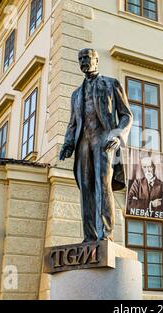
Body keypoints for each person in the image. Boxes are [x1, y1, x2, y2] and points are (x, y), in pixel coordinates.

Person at [59, 48, 133, 242]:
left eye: (87, 58)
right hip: (83, 142)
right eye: (80, 59)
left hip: (104, 141)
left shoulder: (111, 84)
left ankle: (105, 235)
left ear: (96, 60)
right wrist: (68, 143)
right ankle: (89, 236)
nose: (84, 61)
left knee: (103, 186)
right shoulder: (76, 94)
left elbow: (126, 115)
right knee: (86, 189)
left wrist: (118, 135)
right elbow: (73, 122)